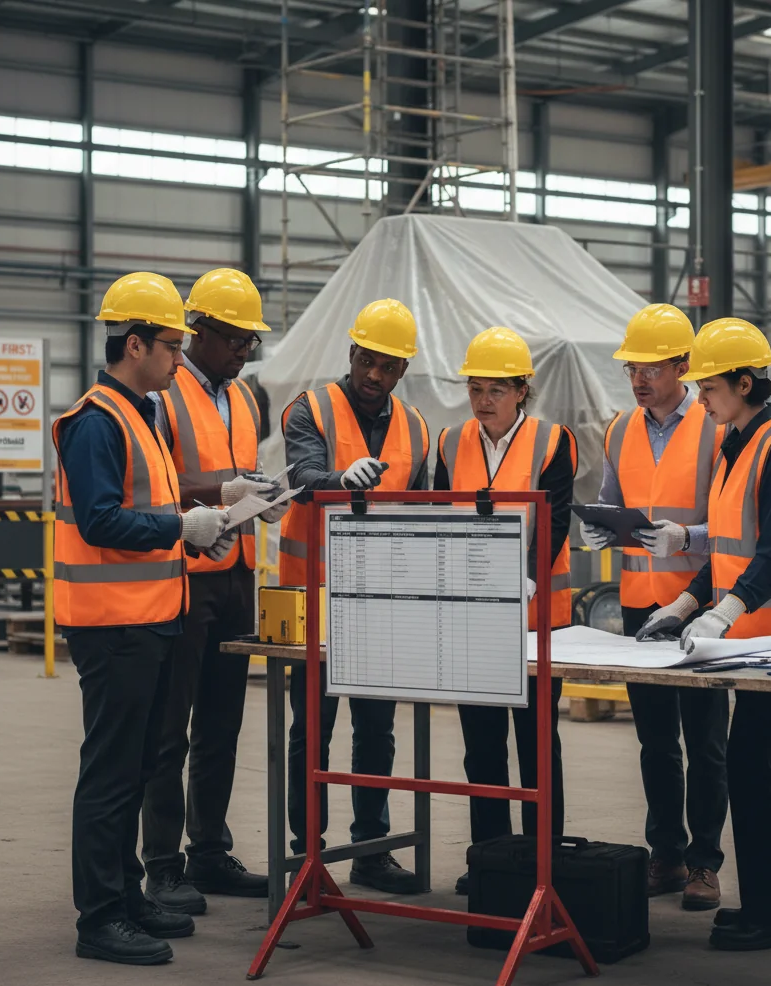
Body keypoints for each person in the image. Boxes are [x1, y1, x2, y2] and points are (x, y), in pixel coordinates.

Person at [637, 317, 771, 952]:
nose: (702, 397)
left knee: (753, 765)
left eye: (710, 386)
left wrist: (721, 613)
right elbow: (729, 553)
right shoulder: (737, 445)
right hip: (756, 643)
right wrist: (684, 602)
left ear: (746, 383)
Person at [54, 272, 230, 965]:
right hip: (113, 624)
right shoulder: (97, 421)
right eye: (170, 345)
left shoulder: (140, 414)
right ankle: (98, 918)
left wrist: (200, 520)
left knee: (129, 770)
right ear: (135, 343)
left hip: (150, 618)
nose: (179, 358)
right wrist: (180, 526)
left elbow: (150, 509)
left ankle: (125, 896)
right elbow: (101, 520)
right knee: (109, 773)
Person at [141, 269, 286, 915]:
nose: (243, 351)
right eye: (233, 338)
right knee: (171, 730)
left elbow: (235, 478)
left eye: (249, 341)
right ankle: (163, 867)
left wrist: (261, 499)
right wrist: (223, 491)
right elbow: (153, 489)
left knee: (223, 726)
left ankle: (209, 853)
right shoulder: (165, 397)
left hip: (237, 576)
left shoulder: (246, 398)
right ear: (197, 331)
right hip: (182, 580)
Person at [579, 303, 729, 912]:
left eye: (651, 368)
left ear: (684, 368)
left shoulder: (718, 429)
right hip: (641, 607)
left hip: (702, 606)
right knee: (656, 742)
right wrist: (602, 527)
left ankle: (704, 863)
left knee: (706, 741)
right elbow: (616, 505)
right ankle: (665, 855)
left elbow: (733, 524)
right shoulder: (619, 429)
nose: (639, 380)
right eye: (631, 370)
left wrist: (686, 539)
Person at [279, 298, 430, 894]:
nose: (375, 375)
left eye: (389, 367)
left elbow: (421, 517)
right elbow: (301, 479)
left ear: (402, 372)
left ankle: (371, 850)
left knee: (376, 732)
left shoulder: (416, 428)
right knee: (310, 733)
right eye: (368, 360)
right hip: (315, 605)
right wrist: (338, 481)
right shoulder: (311, 409)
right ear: (351, 353)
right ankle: (306, 858)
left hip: (381, 608)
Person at [433, 327, 577, 895]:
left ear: (522, 391)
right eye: (475, 387)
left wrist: (525, 581)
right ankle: (490, 860)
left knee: (538, 744)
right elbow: (442, 523)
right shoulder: (450, 442)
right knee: (482, 749)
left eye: (496, 388)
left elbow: (557, 521)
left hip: (537, 619)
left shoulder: (552, 441)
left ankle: (545, 863)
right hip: (474, 621)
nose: (483, 399)